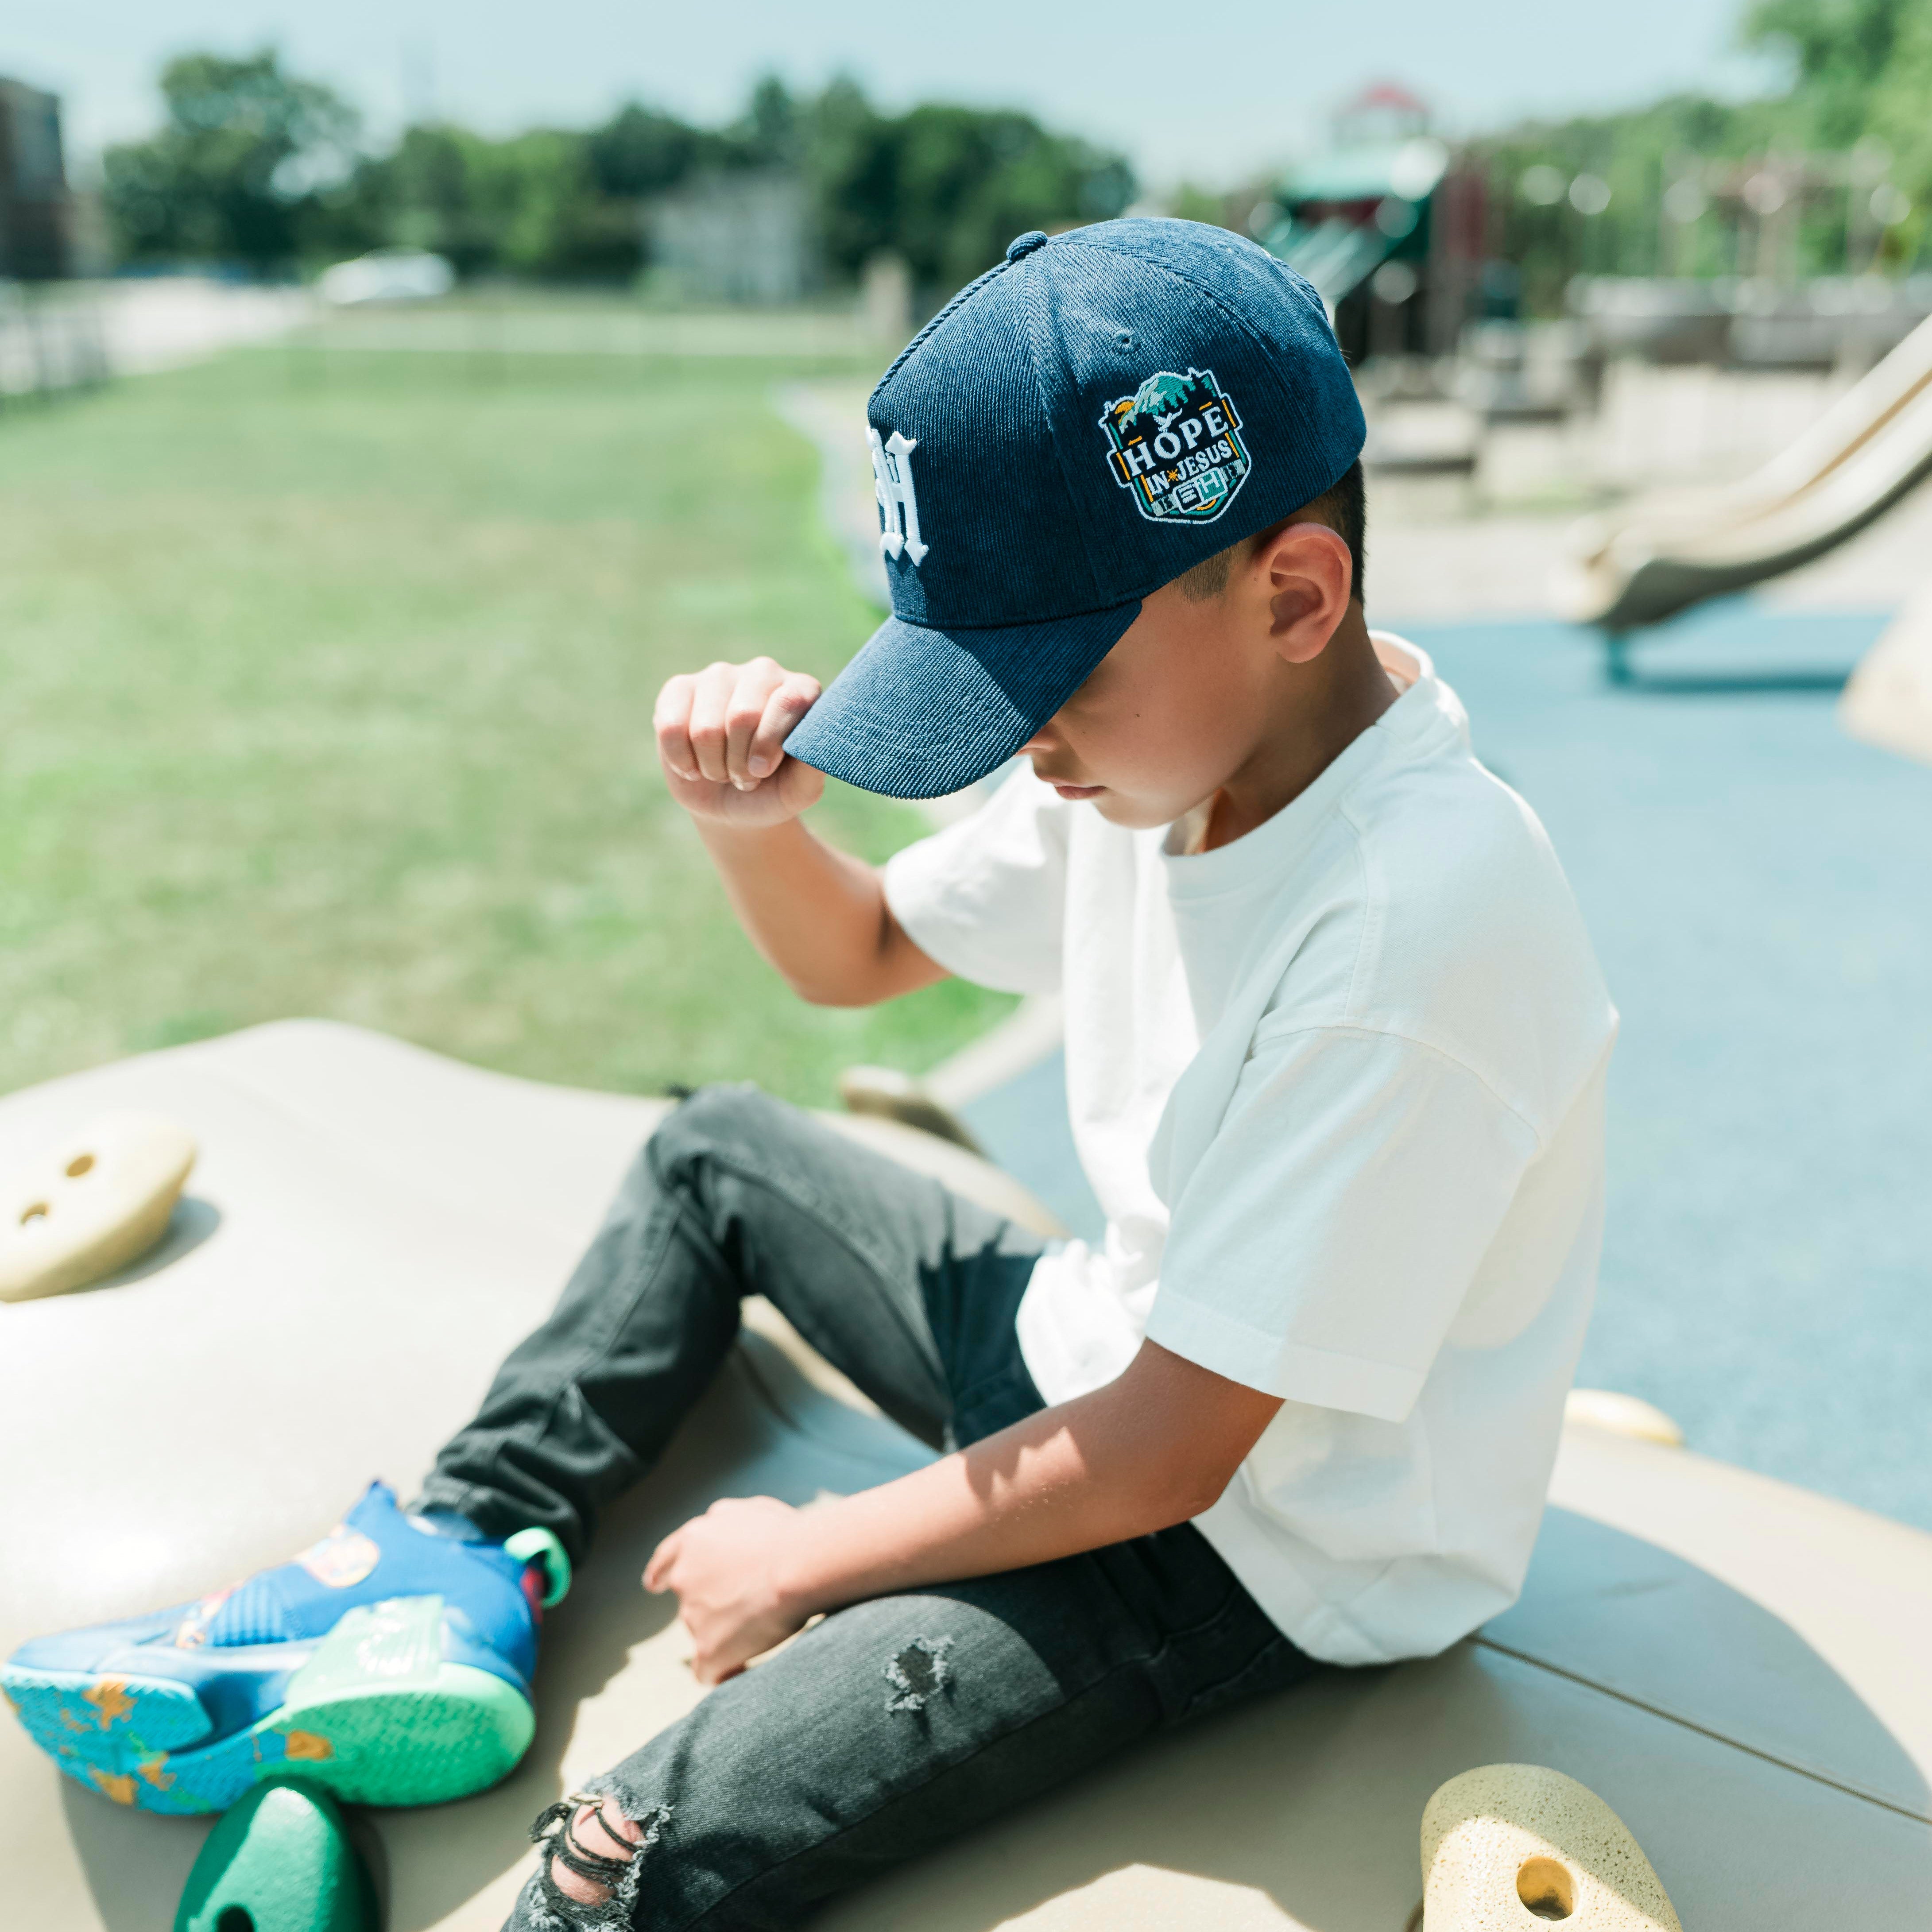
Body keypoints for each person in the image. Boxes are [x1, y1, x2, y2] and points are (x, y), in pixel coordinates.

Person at [4, 220, 1616, 1930]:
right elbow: (852, 957)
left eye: (1041, 680)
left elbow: (1170, 1458)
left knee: (622, 1857)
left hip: (1272, 1549)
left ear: (1292, 594)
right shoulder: (1160, 754)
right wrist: (748, 826)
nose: (1014, 740)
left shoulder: (1411, 931)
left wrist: (809, 1552)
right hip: (1114, 1360)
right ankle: (450, 1567)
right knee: (717, 1151)